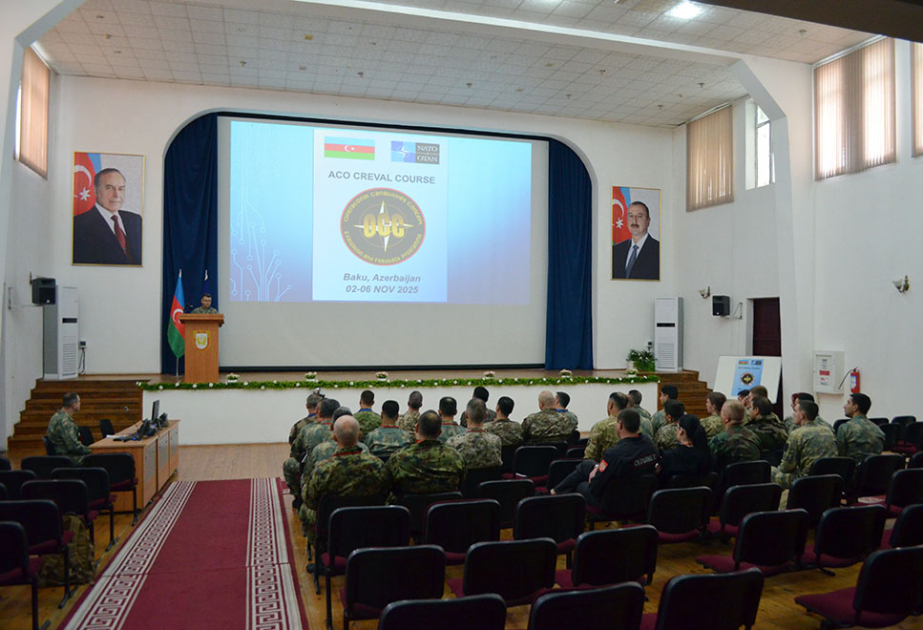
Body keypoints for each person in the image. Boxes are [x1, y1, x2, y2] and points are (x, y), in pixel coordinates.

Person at [301, 415, 392, 542]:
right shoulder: (377, 466)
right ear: (360, 436)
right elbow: (386, 493)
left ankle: (321, 548)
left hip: (333, 528)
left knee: (304, 510)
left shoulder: (323, 470)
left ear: (334, 437)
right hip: (370, 527)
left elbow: (310, 501)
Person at [551, 409, 657, 507]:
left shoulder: (614, 454)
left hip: (613, 502)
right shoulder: (649, 445)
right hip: (641, 498)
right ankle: (556, 491)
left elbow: (595, 486)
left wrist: (595, 475)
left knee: (579, 485)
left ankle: (555, 495)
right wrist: (598, 468)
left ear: (620, 425)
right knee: (587, 465)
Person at [387, 410, 466, 496]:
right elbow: (463, 483)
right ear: (440, 433)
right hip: (446, 508)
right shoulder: (456, 457)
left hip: (410, 508)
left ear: (416, 428)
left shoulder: (399, 458)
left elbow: (386, 484)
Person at [73, 168, 142, 265]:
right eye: (109, 188)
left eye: (121, 188)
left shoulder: (136, 220)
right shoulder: (79, 225)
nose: (116, 194)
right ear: (96, 190)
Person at [771, 400, 837, 489]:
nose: (793, 414)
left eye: (795, 411)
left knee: (770, 471)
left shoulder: (797, 434)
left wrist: (777, 470)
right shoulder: (828, 431)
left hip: (804, 480)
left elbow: (786, 467)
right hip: (828, 479)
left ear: (802, 415)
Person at [282, 391, 325, 501]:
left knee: (288, 464)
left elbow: (294, 447)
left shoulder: (299, 426)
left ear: (307, 406)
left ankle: (298, 496)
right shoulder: (333, 424)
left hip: (307, 465)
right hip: (329, 463)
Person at [657, 414, 712, 485]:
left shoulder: (669, 457)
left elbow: (661, 481)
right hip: (701, 495)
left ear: (681, 431)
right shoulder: (709, 455)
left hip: (673, 495)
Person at [447, 399, 502, 469]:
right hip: (489, 479)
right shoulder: (495, 441)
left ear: (466, 415)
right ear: (486, 415)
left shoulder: (453, 443)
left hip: (464, 479)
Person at [611, 201, 659, 280]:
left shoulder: (659, 250)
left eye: (639, 216)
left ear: (648, 221)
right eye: (631, 216)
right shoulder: (615, 250)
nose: (634, 221)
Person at [709, 400, 760, 473]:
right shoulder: (754, 437)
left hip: (727, 483)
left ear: (726, 418)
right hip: (754, 481)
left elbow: (708, 463)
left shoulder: (718, 440)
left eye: (721, 412)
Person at [836, 393, 885, 463]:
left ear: (855, 407)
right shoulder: (878, 430)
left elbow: (840, 456)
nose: (844, 406)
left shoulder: (845, 428)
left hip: (851, 471)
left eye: (848, 403)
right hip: (874, 471)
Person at [46, 392, 91, 464]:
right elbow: (74, 447)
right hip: (69, 459)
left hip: (60, 457)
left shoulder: (56, 416)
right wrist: (92, 450)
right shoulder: (65, 422)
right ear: (74, 405)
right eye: (79, 402)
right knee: (98, 459)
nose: (80, 404)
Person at [584, 392, 630, 462]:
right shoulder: (636, 424)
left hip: (607, 469)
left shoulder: (600, 426)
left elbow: (590, 456)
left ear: (610, 405)